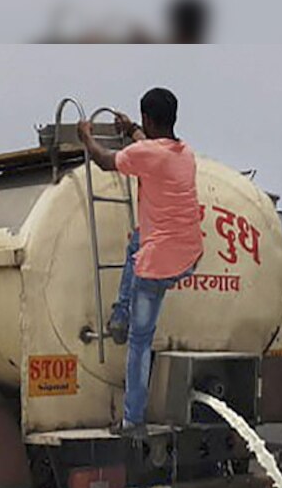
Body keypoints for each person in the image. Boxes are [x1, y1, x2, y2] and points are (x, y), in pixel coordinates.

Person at [77, 87, 202, 435]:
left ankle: (133, 420)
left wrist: (87, 137)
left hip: (158, 262)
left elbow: (104, 161)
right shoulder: (186, 153)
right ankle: (121, 311)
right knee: (136, 241)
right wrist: (132, 128)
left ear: (148, 119)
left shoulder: (146, 153)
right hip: (189, 254)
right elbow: (150, 144)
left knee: (139, 342)